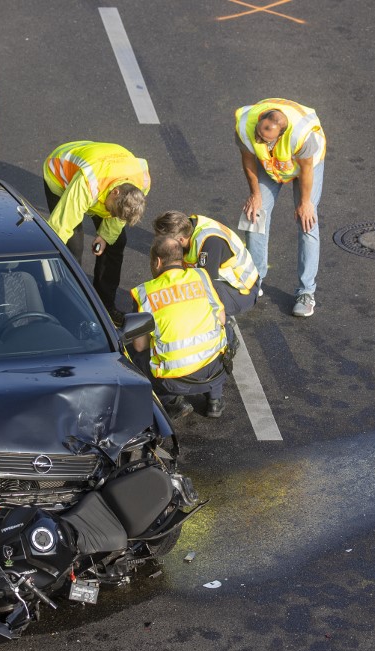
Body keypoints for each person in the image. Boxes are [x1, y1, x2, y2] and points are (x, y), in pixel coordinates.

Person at [234, 98, 326, 317]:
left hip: (305, 167)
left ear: (280, 135)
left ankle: (306, 292)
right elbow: (248, 159)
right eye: (258, 133)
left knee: (307, 223)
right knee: (254, 215)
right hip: (271, 165)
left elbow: (305, 170)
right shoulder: (245, 125)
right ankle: (255, 280)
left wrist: (305, 204)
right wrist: (255, 195)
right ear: (259, 120)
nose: (258, 139)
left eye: (264, 139)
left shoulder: (303, 136)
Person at [43, 141, 150, 325]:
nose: (111, 216)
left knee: (117, 241)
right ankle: (68, 308)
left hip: (103, 182)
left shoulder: (141, 182)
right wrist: (46, 261)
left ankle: (104, 305)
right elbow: (60, 227)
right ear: (115, 192)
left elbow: (118, 217)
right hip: (61, 176)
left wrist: (105, 236)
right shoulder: (87, 182)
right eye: (113, 211)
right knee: (72, 247)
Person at [130, 236, 231, 420]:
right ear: (181, 259)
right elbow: (222, 319)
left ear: (157, 261)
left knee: (133, 351)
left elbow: (139, 346)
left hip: (174, 382)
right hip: (213, 371)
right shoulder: (200, 276)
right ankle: (214, 400)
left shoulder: (145, 293)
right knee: (228, 332)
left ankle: (172, 402)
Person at [152, 211, 259, 318]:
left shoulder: (210, 243)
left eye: (164, 241)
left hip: (243, 291)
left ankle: (223, 330)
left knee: (198, 294)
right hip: (226, 283)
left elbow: (205, 286)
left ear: (180, 240)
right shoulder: (185, 227)